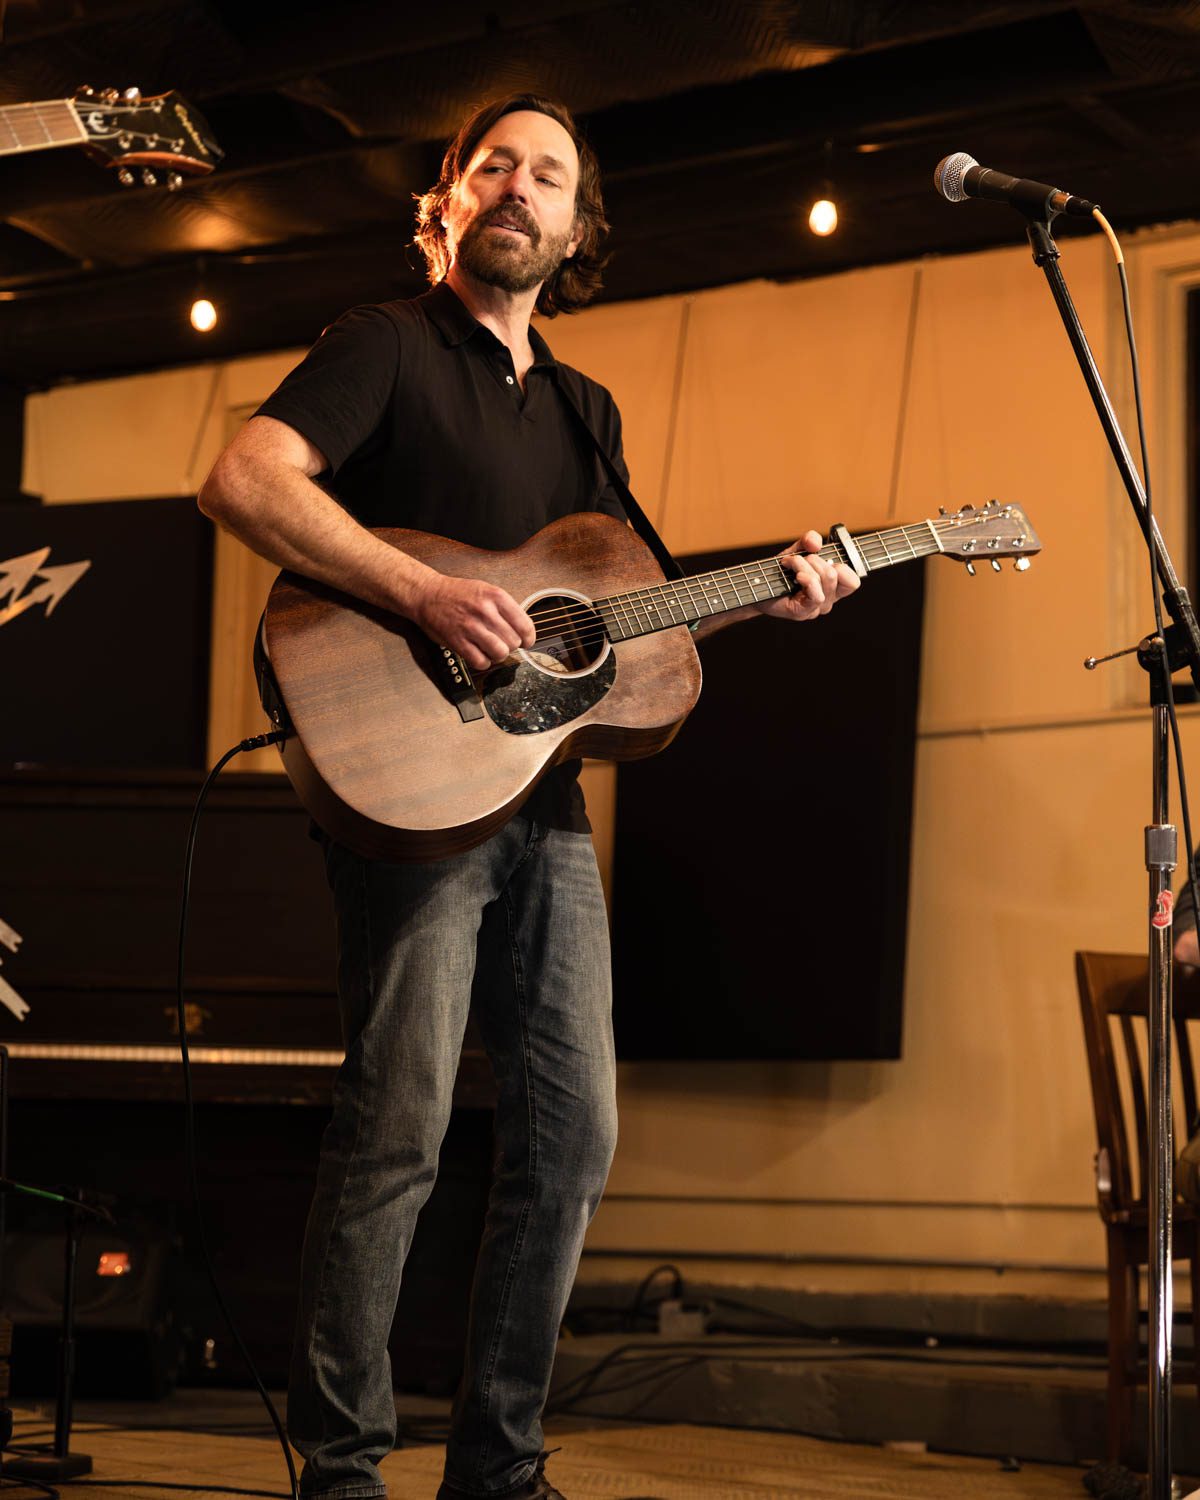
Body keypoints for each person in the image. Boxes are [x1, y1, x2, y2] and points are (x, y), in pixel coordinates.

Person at [198, 93, 860, 1500]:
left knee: (573, 1134)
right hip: (406, 787)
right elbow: (244, 477)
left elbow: (626, 618)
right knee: (400, 1124)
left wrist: (777, 594)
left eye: (549, 175)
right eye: (493, 164)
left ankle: (497, 1467)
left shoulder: (582, 407)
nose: (519, 185)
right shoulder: (383, 344)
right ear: (446, 201)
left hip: (541, 804)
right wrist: (423, 593)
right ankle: (342, 1471)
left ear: (576, 227)